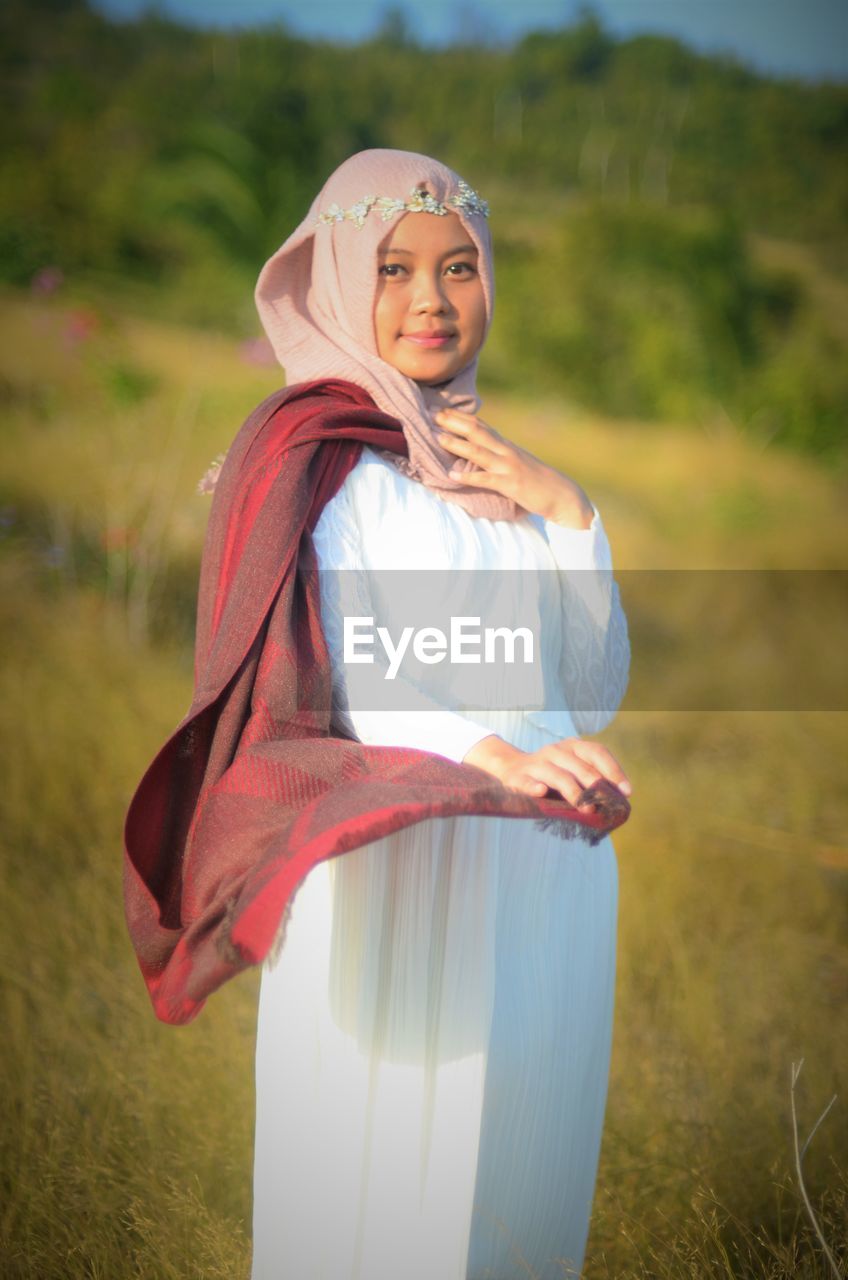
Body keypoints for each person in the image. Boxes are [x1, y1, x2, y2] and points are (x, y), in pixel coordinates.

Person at [246, 149, 631, 1279]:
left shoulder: (491, 470)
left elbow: (588, 686)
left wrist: (566, 509)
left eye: (459, 268)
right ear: (338, 280)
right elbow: (353, 672)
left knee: (510, 1192)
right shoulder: (323, 461)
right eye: (396, 268)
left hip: (533, 877)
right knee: (385, 1186)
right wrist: (494, 756)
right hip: (398, 873)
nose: (430, 301)